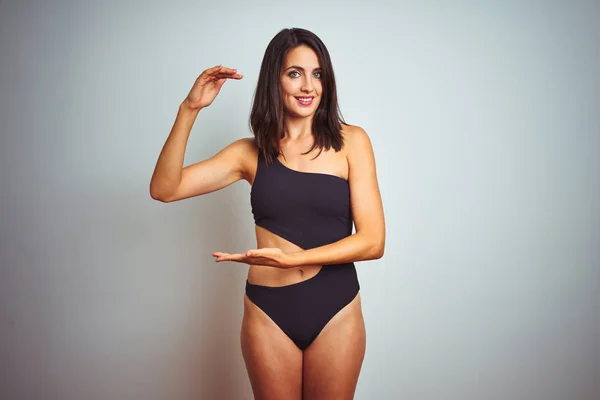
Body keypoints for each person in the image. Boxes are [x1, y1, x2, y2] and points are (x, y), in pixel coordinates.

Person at [150, 27, 385, 400]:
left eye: (317, 73)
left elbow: (373, 242)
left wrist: (292, 260)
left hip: (336, 307)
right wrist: (189, 109)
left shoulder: (352, 142)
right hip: (269, 311)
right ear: (274, 79)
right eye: (295, 73)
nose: (308, 85)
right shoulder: (248, 153)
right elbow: (164, 189)